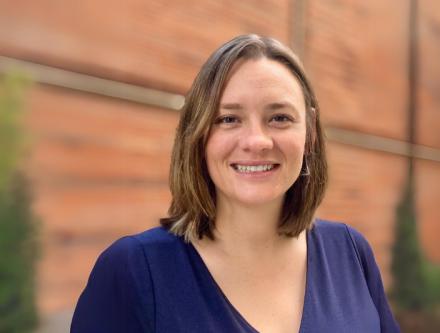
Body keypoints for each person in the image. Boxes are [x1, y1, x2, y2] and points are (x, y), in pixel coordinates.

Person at [71, 34, 400, 333]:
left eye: (279, 118)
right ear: (198, 135)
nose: (257, 141)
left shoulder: (350, 252)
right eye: (229, 119)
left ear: (310, 132)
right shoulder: (134, 271)